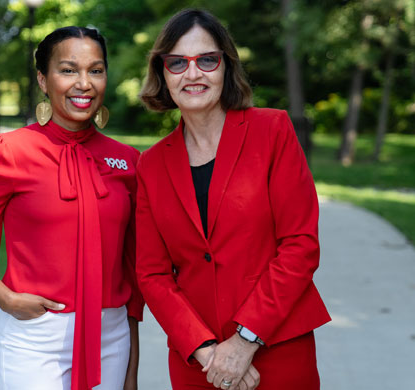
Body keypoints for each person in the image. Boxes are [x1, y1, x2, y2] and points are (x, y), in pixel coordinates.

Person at [136, 9, 331, 390]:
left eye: (206, 60)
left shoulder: (272, 131)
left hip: (277, 348)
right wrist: (208, 352)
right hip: (197, 362)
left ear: (226, 65)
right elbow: (153, 274)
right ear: (162, 73)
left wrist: (245, 341)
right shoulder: (151, 164)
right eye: (177, 62)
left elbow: (300, 245)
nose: (193, 74)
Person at [0, 26, 143, 390]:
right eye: (68, 70)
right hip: (33, 336)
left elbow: (133, 271)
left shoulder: (127, 161)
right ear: (43, 78)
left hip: (110, 335)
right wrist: (7, 299)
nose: (83, 83)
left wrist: (131, 368)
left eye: (95, 70)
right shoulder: (9, 152)